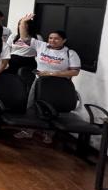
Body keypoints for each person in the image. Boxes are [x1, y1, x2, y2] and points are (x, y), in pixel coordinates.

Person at [13, 13, 81, 141]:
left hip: (58, 85)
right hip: (39, 81)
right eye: (50, 38)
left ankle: (48, 133)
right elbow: (24, 37)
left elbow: (74, 72)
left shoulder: (70, 53)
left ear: (64, 40)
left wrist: (51, 73)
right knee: (31, 105)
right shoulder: (41, 45)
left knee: (52, 107)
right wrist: (23, 22)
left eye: (56, 39)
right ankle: (28, 130)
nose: (52, 40)